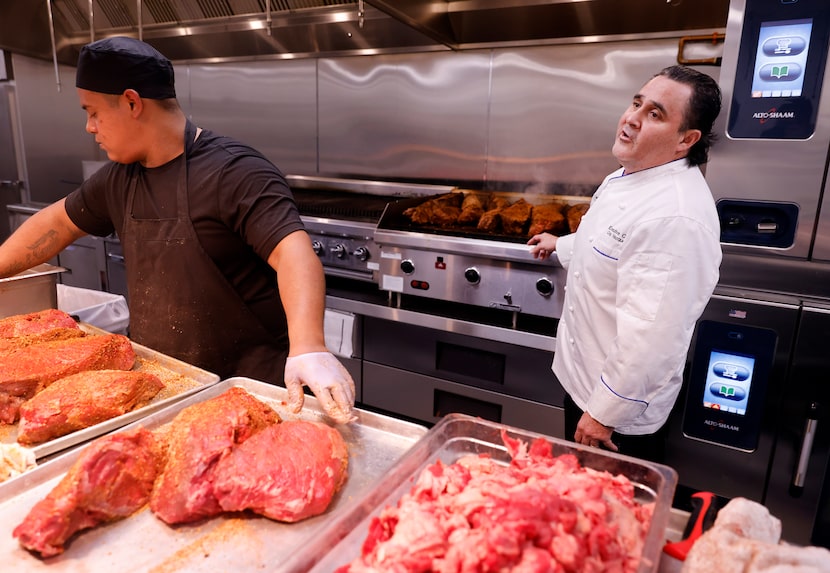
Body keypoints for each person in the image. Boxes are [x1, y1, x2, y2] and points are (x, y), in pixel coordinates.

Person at [0, 36, 356, 424]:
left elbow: (293, 253)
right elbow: (55, 223)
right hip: (166, 386)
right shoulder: (118, 180)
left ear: (133, 103)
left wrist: (308, 346)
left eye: (93, 112)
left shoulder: (235, 172)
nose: (89, 127)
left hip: (248, 392)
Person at [527, 65, 723, 462]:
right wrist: (562, 244)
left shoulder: (675, 217)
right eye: (636, 103)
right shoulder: (632, 175)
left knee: (604, 512)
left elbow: (653, 337)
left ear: (686, 139)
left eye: (655, 114)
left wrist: (604, 414)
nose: (632, 118)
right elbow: (611, 240)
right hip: (586, 381)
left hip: (615, 414)